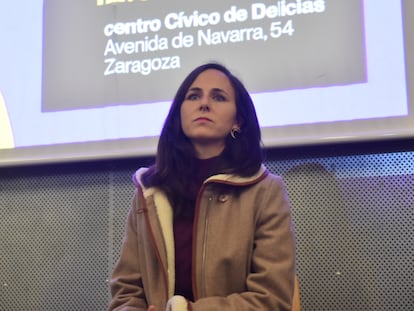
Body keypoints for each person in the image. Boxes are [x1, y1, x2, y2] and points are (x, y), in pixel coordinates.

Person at [109, 62, 296, 311]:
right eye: (194, 96)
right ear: (179, 114)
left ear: (238, 121)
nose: (204, 103)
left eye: (218, 97)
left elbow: (271, 299)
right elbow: (125, 292)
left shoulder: (265, 191)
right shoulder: (149, 192)